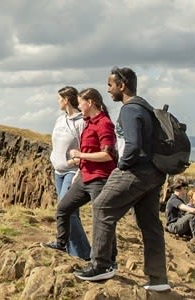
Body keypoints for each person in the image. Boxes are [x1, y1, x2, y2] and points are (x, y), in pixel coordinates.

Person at [74, 67, 170, 293]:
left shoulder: (129, 110)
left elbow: (133, 145)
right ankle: (158, 279)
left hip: (136, 171)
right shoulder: (145, 107)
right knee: (150, 224)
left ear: (122, 85)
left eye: (110, 85)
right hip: (154, 173)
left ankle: (101, 265)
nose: (108, 90)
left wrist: (123, 166)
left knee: (101, 207)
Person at [44, 88, 116, 262]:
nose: (79, 104)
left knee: (102, 220)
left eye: (81, 101)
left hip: (98, 177)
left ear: (89, 102)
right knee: (63, 208)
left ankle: (108, 260)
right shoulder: (89, 121)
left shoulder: (104, 123)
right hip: (84, 175)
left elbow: (108, 154)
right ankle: (62, 243)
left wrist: (80, 157)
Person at [47, 86, 91, 259]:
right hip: (58, 171)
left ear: (66, 100)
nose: (58, 101)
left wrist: (76, 166)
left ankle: (84, 254)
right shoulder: (60, 119)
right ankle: (72, 251)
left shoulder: (82, 122)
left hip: (71, 172)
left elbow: (85, 148)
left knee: (66, 209)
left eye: (59, 98)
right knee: (70, 212)